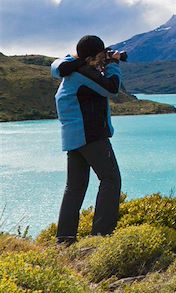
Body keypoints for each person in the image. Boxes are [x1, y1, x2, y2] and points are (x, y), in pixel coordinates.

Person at [50, 35, 124, 245]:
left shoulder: (71, 70)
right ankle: (101, 237)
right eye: (101, 56)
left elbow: (59, 65)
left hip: (74, 137)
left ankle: (65, 240)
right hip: (90, 135)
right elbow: (112, 88)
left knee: (75, 186)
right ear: (92, 57)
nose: (103, 60)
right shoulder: (84, 73)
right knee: (111, 180)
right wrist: (114, 64)